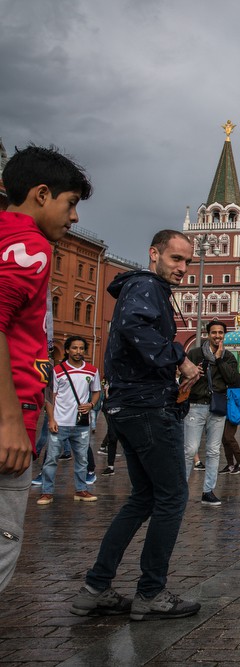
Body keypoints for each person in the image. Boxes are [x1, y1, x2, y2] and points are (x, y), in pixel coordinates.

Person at [73, 229, 204, 620]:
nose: (182, 268)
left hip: (129, 406)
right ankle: (150, 592)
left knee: (143, 498)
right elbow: (136, 328)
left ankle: (96, 587)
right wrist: (179, 358)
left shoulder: (141, 287)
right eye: (175, 259)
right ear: (154, 254)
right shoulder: (146, 286)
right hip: (147, 407)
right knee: (172, 496)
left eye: (186, 261)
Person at [0, 145, 91, 594]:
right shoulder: (29, 247)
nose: (73, 218)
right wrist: (11, 421)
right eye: (70, 203)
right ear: (40, 194)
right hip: (11, 416)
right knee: (2, 543)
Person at [183, 320, 240, 505]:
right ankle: (181, 491)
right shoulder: (194, 353)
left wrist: (219, 358)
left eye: (220, 333)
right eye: (214, 333)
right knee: (190, 449)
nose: (217, 336)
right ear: (207, 334)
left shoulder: (229, 356)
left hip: (217, 407)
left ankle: (208, 491)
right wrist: (193, 373)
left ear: (224, 335)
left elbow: (232, 379)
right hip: (196, 405)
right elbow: (182, 378)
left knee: (213, 451)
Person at [37, 336, 101, 504]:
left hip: (81, 424)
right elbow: (50, 397)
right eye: (74, 348)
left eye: (81, 348)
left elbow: (96, 391)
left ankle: (81, 490)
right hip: (60, 422)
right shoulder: (57, 371)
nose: (78, 351)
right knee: (51, 459)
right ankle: (47, 492)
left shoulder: (92, 371)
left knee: (82, 460)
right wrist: (51, 419)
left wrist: (91, 404)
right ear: (67, 350)